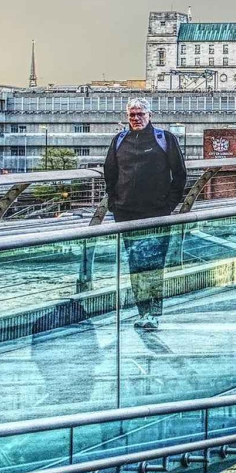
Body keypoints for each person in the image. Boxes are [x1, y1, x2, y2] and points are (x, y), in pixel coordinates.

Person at [102, 97, 187, 331]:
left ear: (150, 115)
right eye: (132, 115)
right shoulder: (119, 141)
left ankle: (154, 313)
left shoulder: (164, 139)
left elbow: (180, 174)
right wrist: (114, 203)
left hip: (157, 212)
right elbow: (109, 173)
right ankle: (142, 312)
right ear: (127, 117)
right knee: (135, 264)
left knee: (155, 264)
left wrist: (169, 205)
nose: (136, 118)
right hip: (126, 213)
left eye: (140, 114)